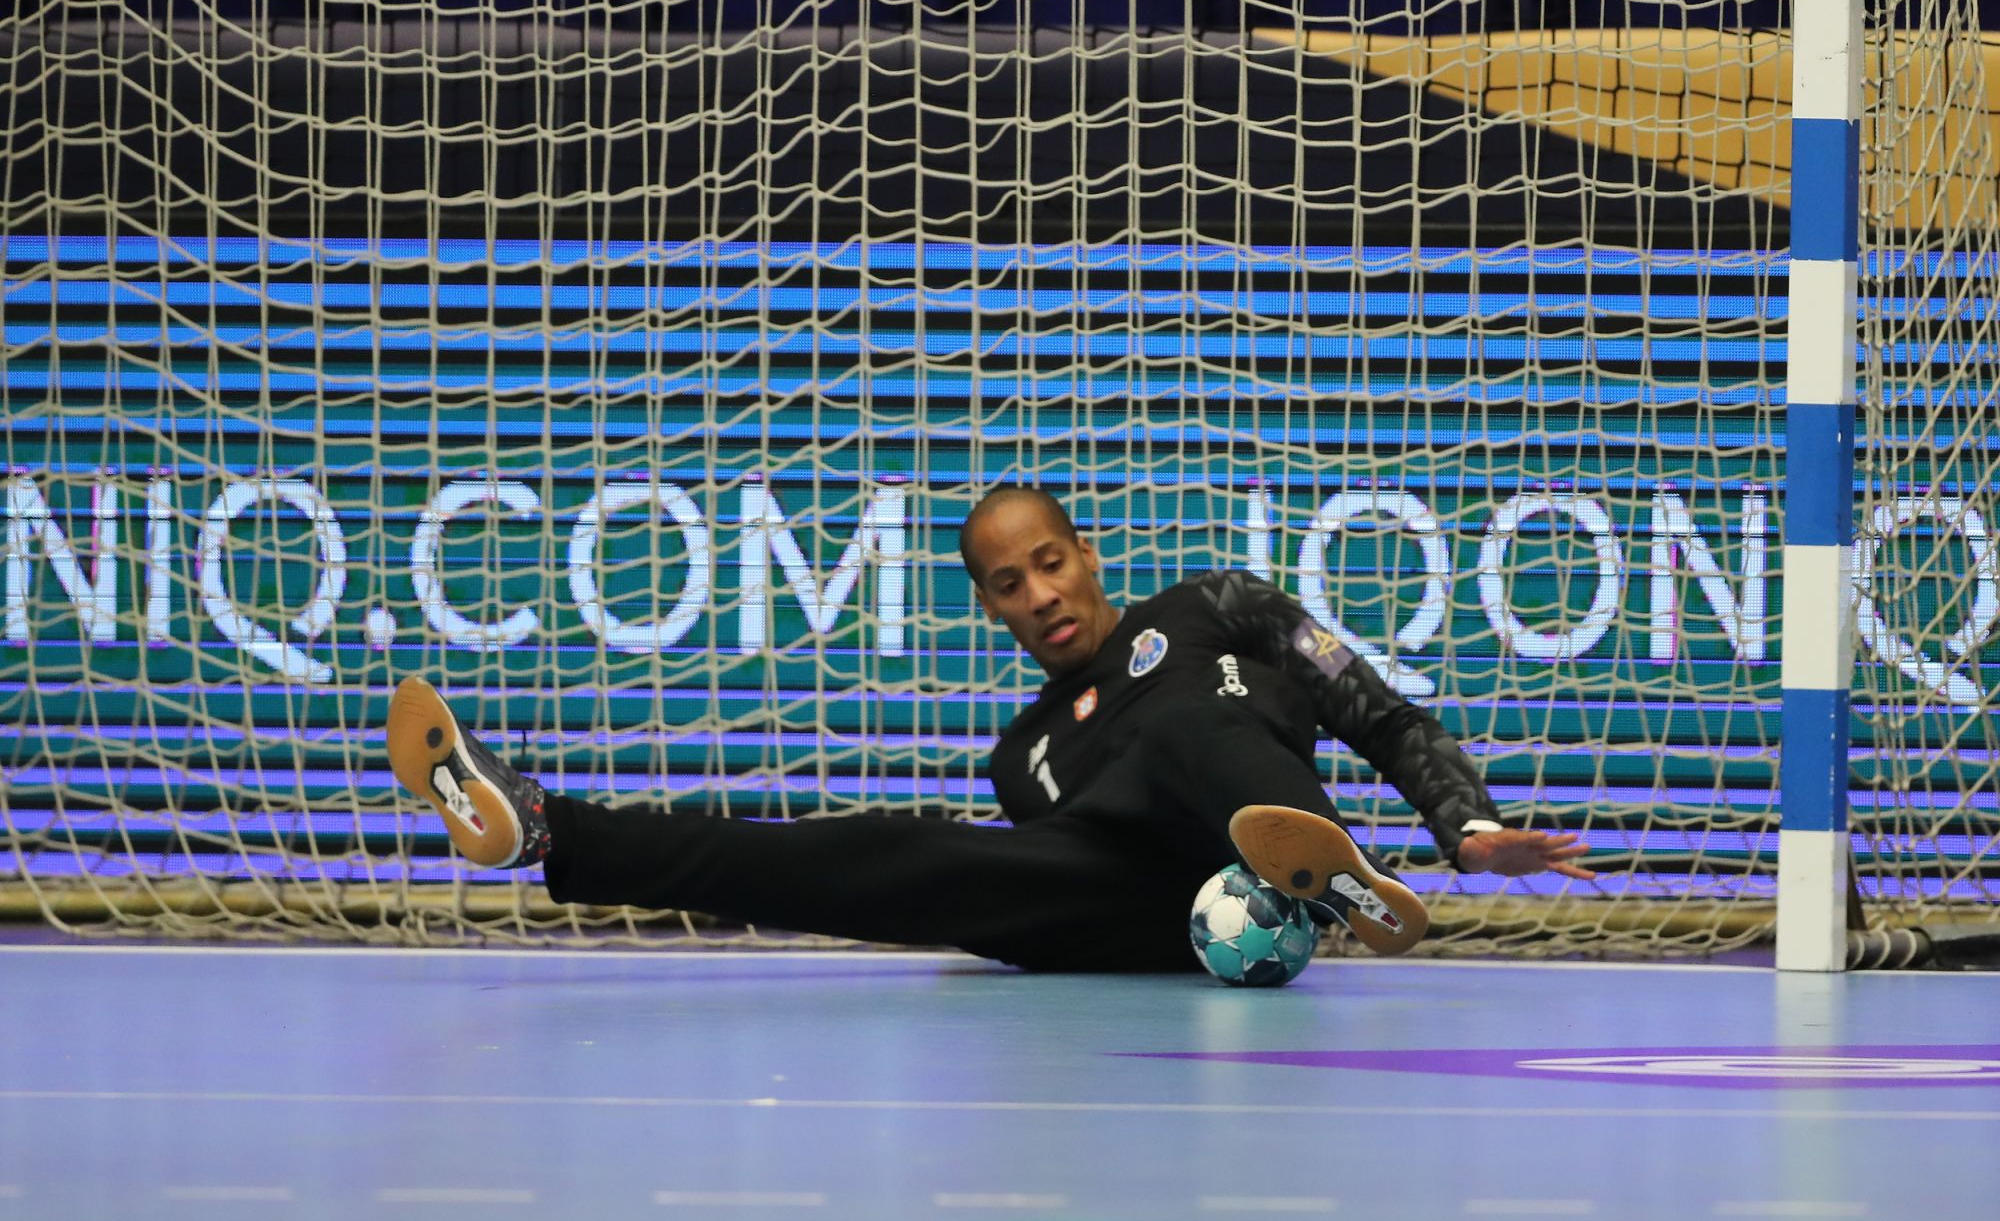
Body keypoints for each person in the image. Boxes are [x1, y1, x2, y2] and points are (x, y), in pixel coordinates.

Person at [387, 487, 1589, 971]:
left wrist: (1462, 822)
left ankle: (1315, 864)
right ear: (990, 606)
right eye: (1009, 585)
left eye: (1050, 563)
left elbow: (1379, 710)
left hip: (1249, 828)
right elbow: (1064, 885)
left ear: (1086, 554)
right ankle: (548, 828)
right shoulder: (1023, 754)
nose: (1041, 595)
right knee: (896, 847)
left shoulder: (1213, 607)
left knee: (1183, 727)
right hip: (1155, 915)